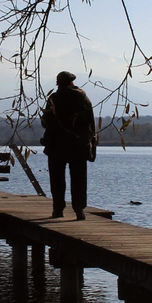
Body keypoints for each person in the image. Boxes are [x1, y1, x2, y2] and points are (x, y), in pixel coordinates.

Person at [39, 71, 97, 219]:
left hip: (56, 146)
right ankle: (79, 210)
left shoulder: (54, 98)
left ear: (58, 83)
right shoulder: (82, 97)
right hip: (78, 146)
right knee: (79, 179)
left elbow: (46, 122)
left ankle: (58, 210)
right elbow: (90, 122)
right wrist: (91, 143)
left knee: (57, 180)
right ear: (72, 82)